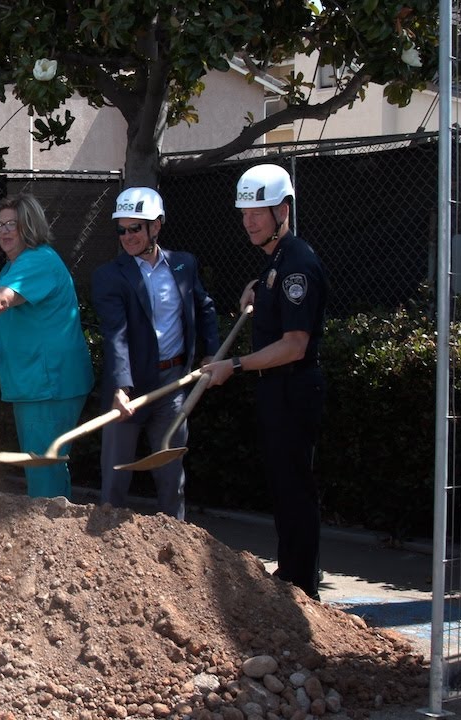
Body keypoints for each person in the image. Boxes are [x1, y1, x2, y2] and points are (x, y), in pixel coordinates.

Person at [203, 163, 328, 600]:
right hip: (278, 390)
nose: (249, 220)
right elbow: (276, 292)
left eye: (259, 211)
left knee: (295, 488)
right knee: (282, 484)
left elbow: (294, 345)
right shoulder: (277, 263)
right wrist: (259, 286)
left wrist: (234, 366)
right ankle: (292, 577)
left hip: (293, 387)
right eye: (244, 212)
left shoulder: (296, 265)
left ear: (284, 209)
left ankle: (301, 587)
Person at [0, 193, 93, 498]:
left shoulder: (38, 261)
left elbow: (1, 301)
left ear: (30, 226)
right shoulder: (13, 266)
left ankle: (49, 539)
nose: (4, 230)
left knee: (43, 471)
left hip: (49, 384)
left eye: (13, 224)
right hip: (34, 384)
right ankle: (54, 531)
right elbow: (10, 315)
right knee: (46, 467)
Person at [90, 187, 219, 520]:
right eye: (122, 229)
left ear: (156, 226)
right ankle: (105, 550)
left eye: (136, 228)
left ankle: (176, 552)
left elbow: (204, 307)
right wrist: (121, 386)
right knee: (115, 481)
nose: (128, 236)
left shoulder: (183, 265)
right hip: (129, 391)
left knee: (171, 478)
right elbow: (115, 333)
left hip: (173, 385)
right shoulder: (109, 277)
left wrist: (212, 353)